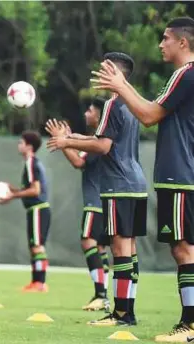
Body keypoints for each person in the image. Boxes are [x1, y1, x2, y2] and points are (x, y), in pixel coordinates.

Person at [91, 17, 194, 341]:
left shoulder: (185, 74)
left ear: (182, 42)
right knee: (183, 249)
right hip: (179, 174)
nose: (160, 44)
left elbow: (149, 116)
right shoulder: (182, 76)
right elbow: (152, 110)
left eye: (165, 38)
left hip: (181, 175)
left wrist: (121, 86)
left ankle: (190, 325)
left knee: (184, 249)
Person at [48, 52, 147, 326]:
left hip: (118, 186)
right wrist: (71, 138)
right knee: (129, 248)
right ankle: (127, 312)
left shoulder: (113, 105)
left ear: (116, 72)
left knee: (119, 250)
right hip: (135, 184)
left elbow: (103, 146)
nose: (98, 74)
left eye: (104, 69)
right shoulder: (132, 103)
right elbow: (100, 139)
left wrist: (67, 143)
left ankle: (121, 313)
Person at [45, 99, 110, 311]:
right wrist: (67, 137)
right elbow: (80, 148)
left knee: (88, 242)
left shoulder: (98, 142)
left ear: (99, 116)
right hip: (107, 201)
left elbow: (77, 162)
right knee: (100, 247)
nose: (86, 113)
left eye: (90, 110)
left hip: (96, 201)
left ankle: (101, 293)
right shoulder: (98, 140)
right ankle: (104, 295)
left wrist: (61, 140)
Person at [0, 131, 51, 293]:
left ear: (29, 146)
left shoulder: (31, 163)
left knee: (37, 246)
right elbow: (31, 188)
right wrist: (14, 190)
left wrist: (12, 195)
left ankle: (40, 283)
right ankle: (36, 281)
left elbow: (35, 191)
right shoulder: (31, 163)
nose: (18, 145)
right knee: (34, 246)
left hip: (38, 209)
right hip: (36, 210)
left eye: (21, 142)